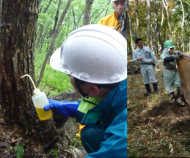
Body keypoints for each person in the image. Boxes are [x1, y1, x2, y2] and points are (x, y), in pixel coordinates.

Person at [43, 25, 129, 157]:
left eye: (70, 75)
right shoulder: (115, 85)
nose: (69, 78)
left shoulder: (125, 129)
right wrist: (63, 107)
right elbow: (98, 106)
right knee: (90, 133)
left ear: (92, 89)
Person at [160, 40, 186, 106]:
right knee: (169, 87)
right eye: (171, 48)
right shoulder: (163, 55)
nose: (172, 49)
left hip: (175, 71)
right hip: (167, 72)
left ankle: (179, 99)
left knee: (180, 84)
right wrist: (175, 57)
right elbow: (166, 59)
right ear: (167, 49)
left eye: (173, 48)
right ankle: (171, 99)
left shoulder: (174, 54)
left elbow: (179, 56)